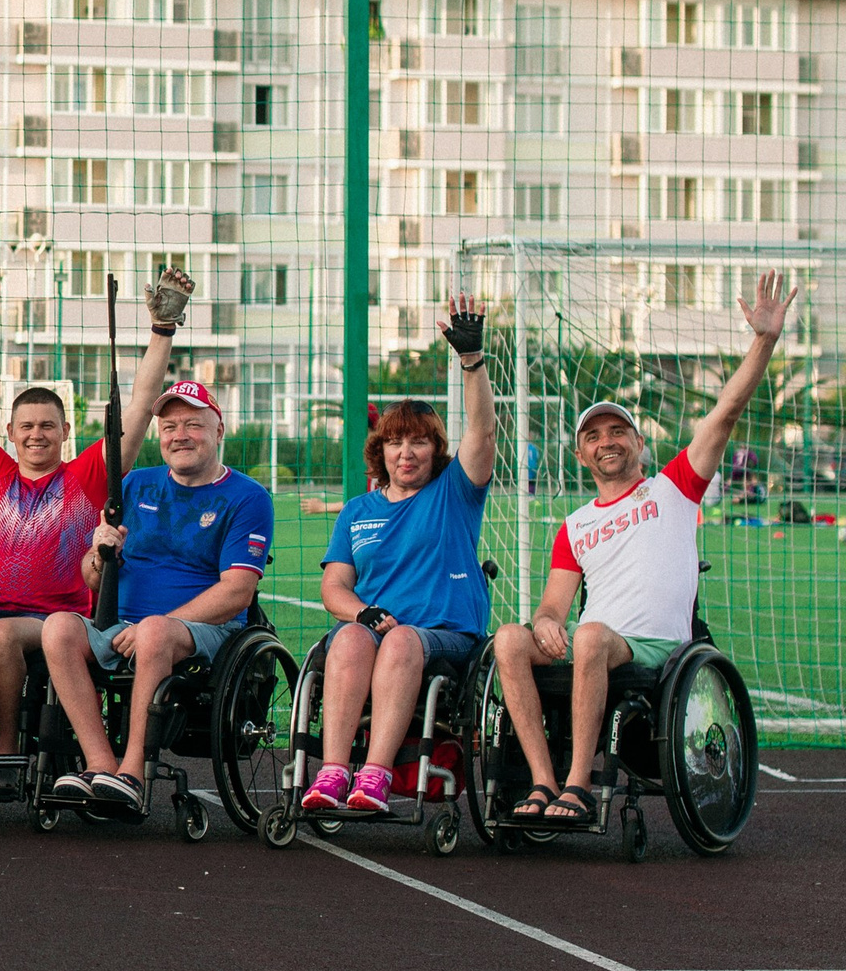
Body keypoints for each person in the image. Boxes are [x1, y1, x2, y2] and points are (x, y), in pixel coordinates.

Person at [495, 272, 793, 824]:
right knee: (510, 640)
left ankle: (579, 786)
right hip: (594, 644)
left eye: (617, 432)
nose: (606, 441)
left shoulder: (674, 487)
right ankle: (542, 780)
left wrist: (764, 340)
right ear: (582, 456)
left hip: (658, 647)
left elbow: (724, 412)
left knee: (588, 638)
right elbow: (552, 607)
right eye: (594, 437)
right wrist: (542, 623)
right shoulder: (575, 525)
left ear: (639, 443)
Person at [0, 260, 187, 764]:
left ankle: (10, 750)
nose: (37, 434)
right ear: (9, 433)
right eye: (27, 426)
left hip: (61, 615)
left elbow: (141, 406)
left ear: (64, 433)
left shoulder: (86, 475)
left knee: (1, 635)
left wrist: (162, 329)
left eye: (48, 426)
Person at [306, 296, 498, 813]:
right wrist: (362, 613)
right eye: (395, 442)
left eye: (418, 442)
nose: (406, 452)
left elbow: (481, 434)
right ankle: (330, 772)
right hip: (378, 631)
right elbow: (334, 587)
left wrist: (471, 362)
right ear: (381, 450)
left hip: (446, 638)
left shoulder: (454, 493)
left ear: (435, 451)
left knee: (402, 641)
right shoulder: (357, 510)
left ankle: (375, 775)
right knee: (348, 637)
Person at [47, 379, 273, 808]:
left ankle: (132, 771)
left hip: (206, 633)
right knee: (58, 628)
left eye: (193, 424)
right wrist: (99, 554)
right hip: (121, 624)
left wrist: (165, 624)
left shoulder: (248, 497)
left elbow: (238, 592)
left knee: (153, 633)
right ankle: (99, 764)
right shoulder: (134, 485)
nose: (179, 435)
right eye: (169, 427)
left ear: (219, 429)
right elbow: (91, 577)